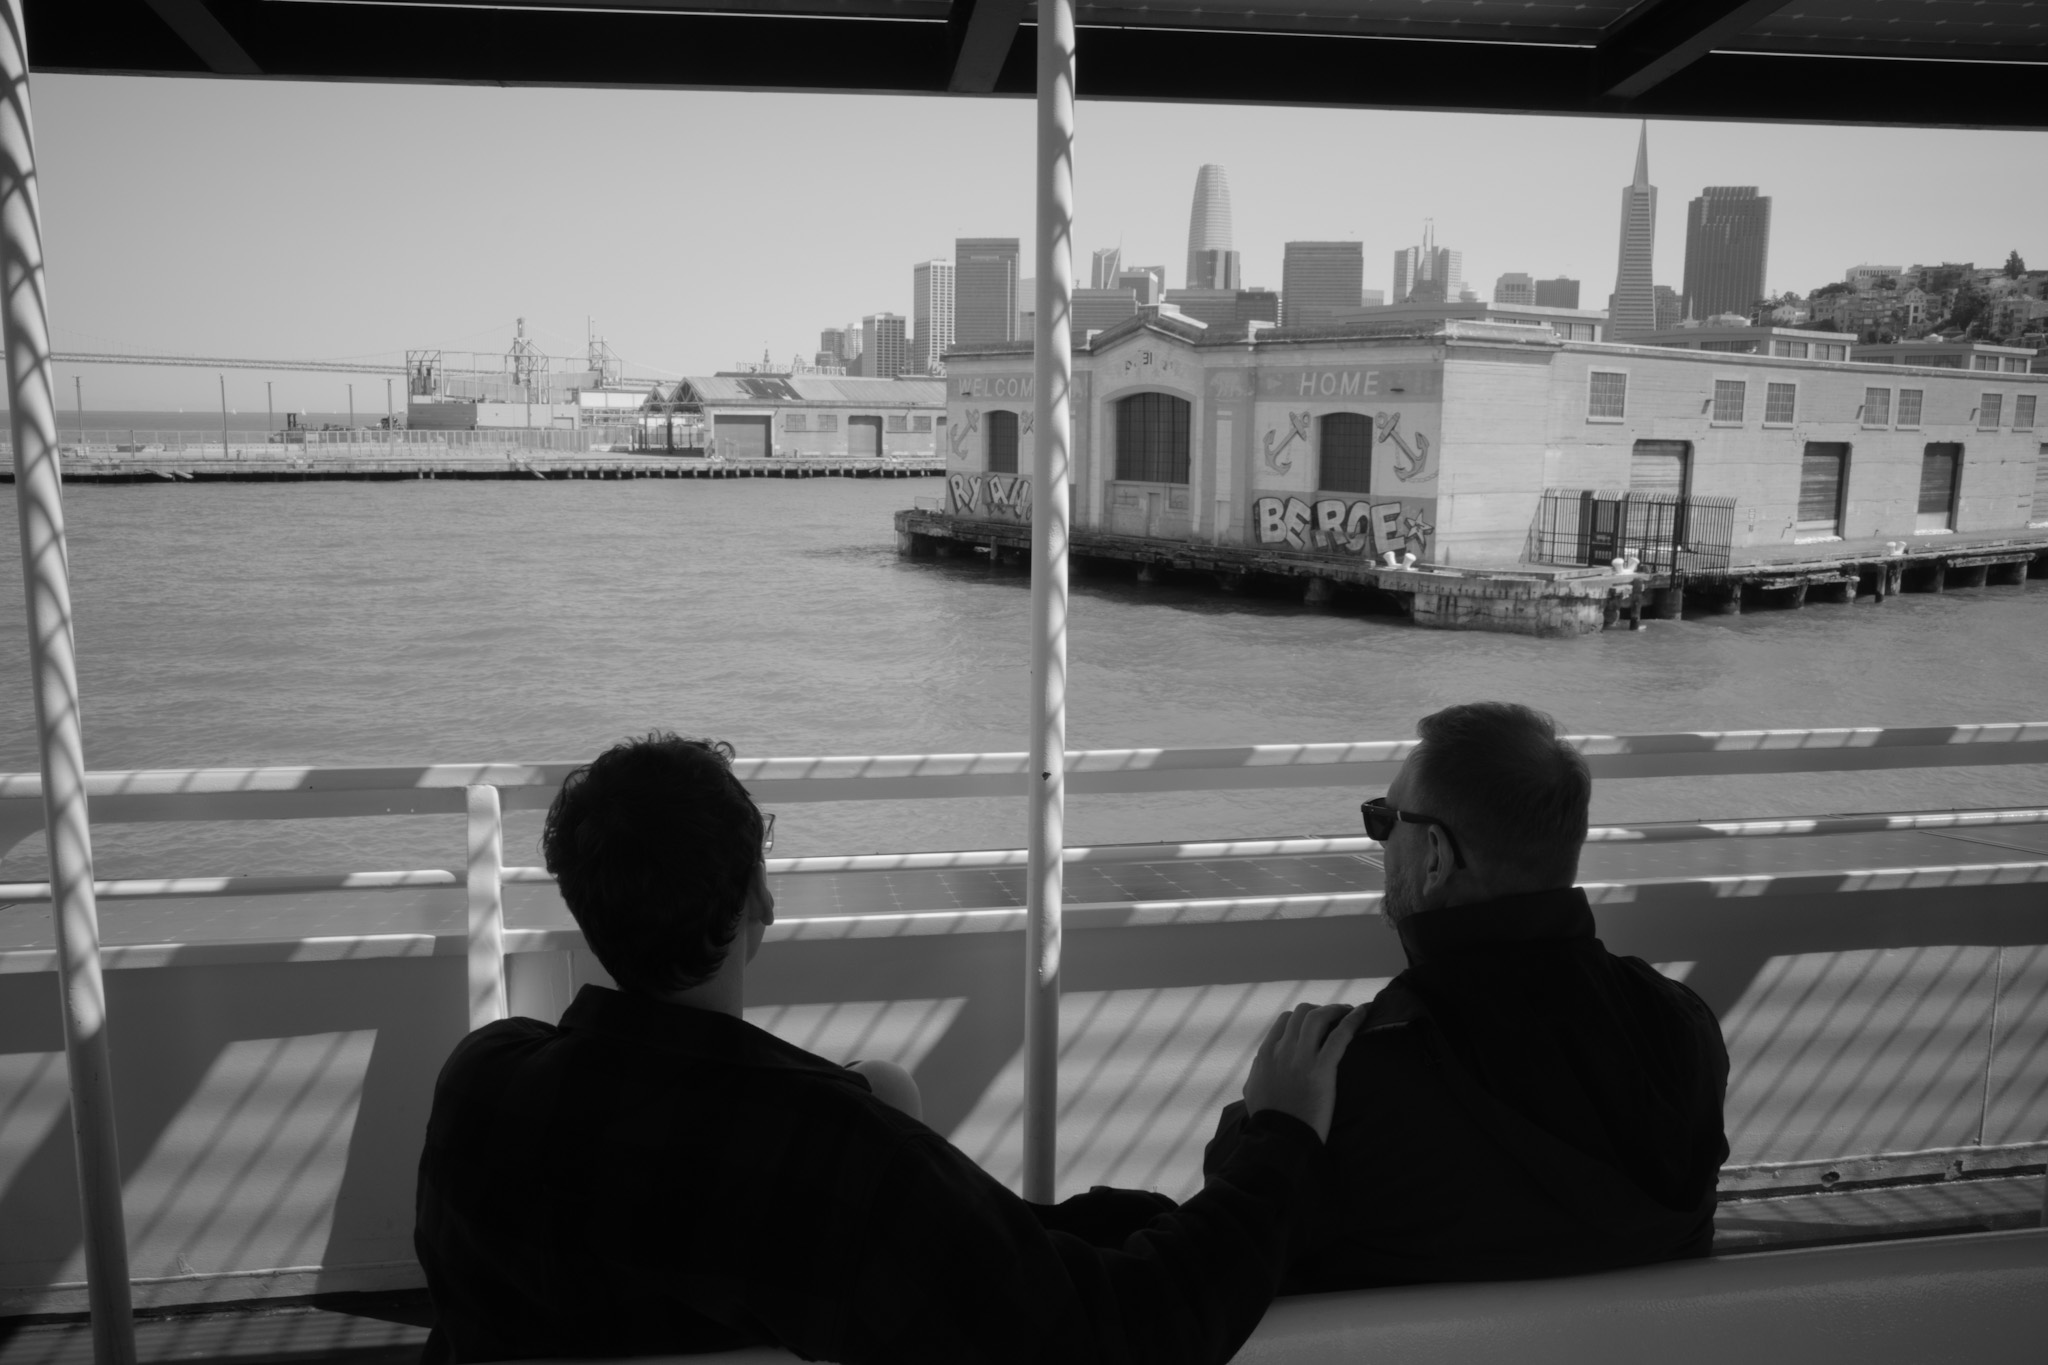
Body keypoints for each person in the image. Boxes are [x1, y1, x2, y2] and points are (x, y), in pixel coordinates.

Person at [415, 732, 1368, 1364]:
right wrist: (1280, 1138)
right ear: (758, 902)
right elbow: (1119, 1330)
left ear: (584, 908)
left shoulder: (480, 1086)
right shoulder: (835, 1158)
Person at [1203, 701, 1729, 1291]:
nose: (1379, 842)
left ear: (1435, 857)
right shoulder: (1682, 1025)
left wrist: (1277, 1124)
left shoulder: (1353, 1074)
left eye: (1384, 821)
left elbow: (1233, 1227)